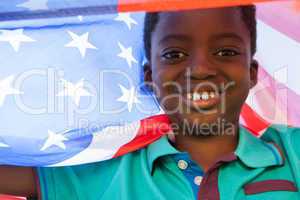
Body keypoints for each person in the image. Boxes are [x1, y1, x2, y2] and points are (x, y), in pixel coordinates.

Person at [1, 5, 300, 200]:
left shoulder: (292, 152)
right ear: (149, 77)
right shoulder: (103, 168)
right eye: (174, 54)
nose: (200, 70)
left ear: (251, 73)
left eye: (226, 52)